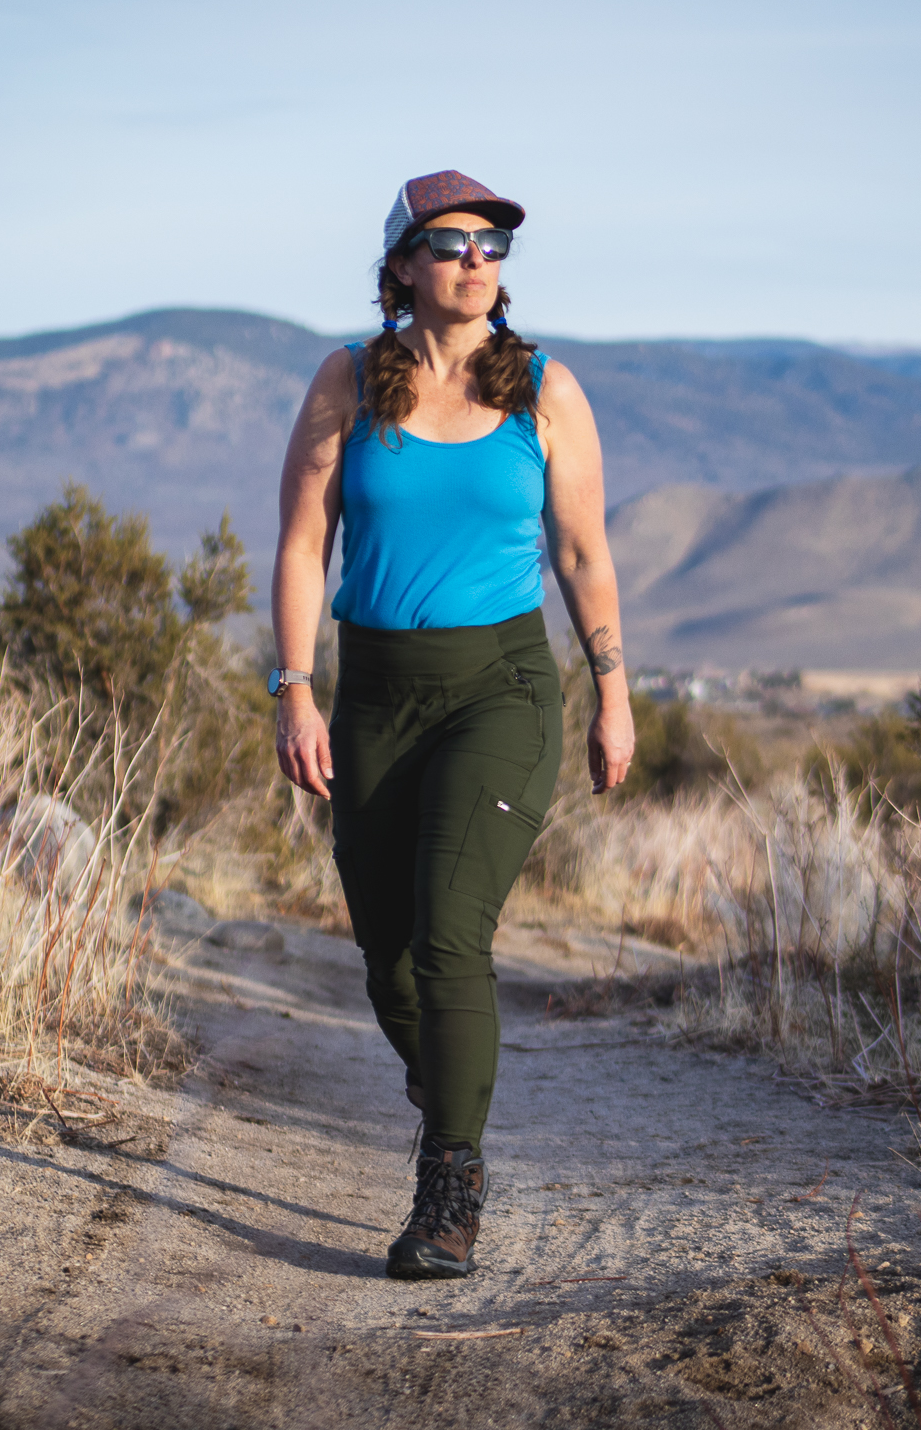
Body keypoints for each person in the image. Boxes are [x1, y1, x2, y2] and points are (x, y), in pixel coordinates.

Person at [269, 170, 635, 1280]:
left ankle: (450, 1186)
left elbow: (581, 553)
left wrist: (614, 691)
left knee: (448, 928)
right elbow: (300, 546)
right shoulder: (345, 385)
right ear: (401, 266)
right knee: (388, 961)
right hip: (376, 691)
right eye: (450, 243)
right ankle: (446, 1076)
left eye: (492, 246)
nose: (476, 261)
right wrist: (294, 685)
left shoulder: (545, 392)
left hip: (503, 689)